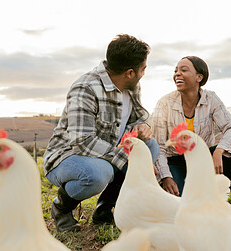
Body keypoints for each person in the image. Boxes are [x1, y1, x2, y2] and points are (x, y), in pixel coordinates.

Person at [43, 34, 159, 232]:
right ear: (130, 72)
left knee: (150, 147)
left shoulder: (131, 86)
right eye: (143, 69)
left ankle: (104, 209)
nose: (143, 73)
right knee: (98, 174)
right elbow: (83, 141)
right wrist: (131, 160)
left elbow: (137, 117)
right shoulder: (85, 89)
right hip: (67, 156)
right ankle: (61, 208)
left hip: (106, 152)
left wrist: (142, 126)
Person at [151, 56, 231, 196]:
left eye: (184, 70)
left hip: (202, 158)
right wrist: (166, 177)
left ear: (199, 77)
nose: (177, 74)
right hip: (175, 161)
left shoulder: (211, 99)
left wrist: (219, 151)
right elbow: (160, 146)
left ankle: (220, 192)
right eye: (176, 71)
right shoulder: (164, 103)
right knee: (180, 200)